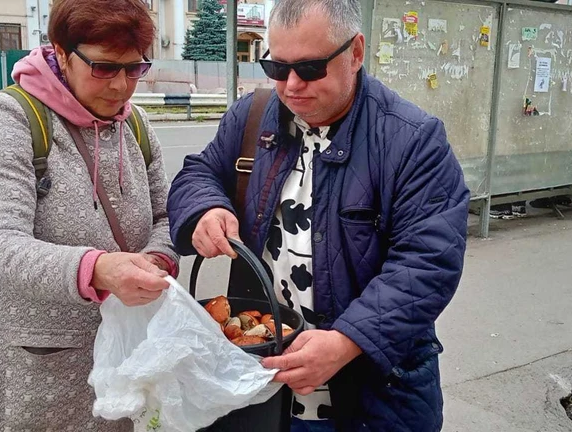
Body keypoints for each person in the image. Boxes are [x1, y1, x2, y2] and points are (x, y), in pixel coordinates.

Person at [167, 0, 470, 430]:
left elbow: (428, 262)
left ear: (356, 53)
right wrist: (205, 208)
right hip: (261, 386)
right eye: (276, 68)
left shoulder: (412, 142)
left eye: (310, 68)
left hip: (376, 397)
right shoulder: (251, 117)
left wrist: (348, 342)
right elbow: (200, 171)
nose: (291, 86)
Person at [0, 0, 177, 430]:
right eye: (104, 68)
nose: (120, 87)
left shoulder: (134, 124)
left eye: (134, 69)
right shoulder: (8, 118)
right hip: (31, 365)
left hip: (121, 353)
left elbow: (165, 216)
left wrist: (156, 260)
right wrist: (97, 269)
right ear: (61, 52)